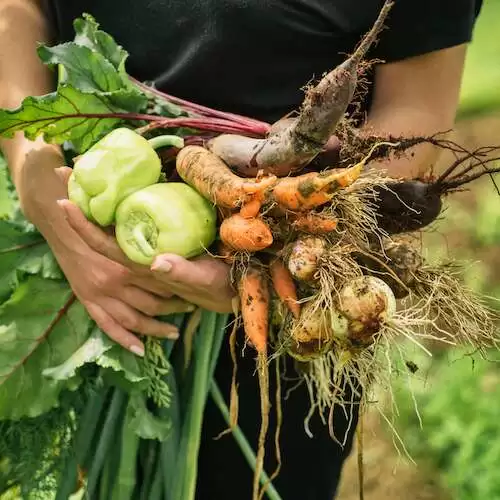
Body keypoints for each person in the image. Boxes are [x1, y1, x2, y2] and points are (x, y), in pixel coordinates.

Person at [0, 0, 483, 498]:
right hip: (79, 254)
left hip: (291, 304)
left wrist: (280, 251)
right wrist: (35, 172)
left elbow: (415, 113)